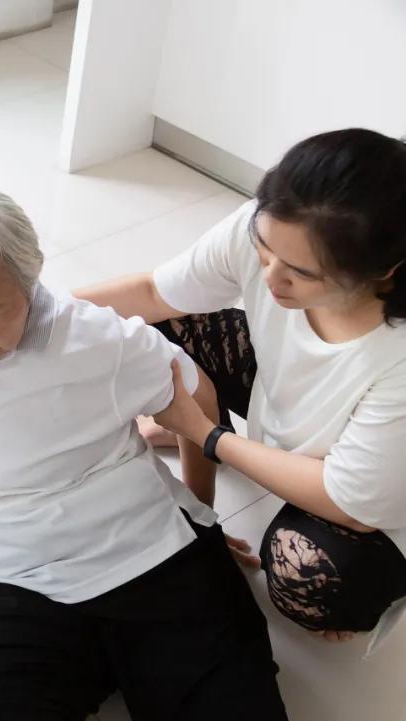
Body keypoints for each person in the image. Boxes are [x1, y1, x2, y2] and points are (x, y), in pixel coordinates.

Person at [0, 185, 287, 720]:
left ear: (32, 283)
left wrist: (199, 508)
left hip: (150, 553)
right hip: (11, 578)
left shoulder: (100, 340)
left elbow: (197, 396)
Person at [77, 129, 406, 648]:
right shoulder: (278, 227)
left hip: (371, 503)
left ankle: (374, 587)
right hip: (290, 420)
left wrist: (206, 433)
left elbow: (349, 503)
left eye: (301, 273)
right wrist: (31, 317)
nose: (272, 277)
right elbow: (153, 293)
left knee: (307, 579)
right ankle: (216, 459)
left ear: (384, 273)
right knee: (145, 334)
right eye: (264, 248)